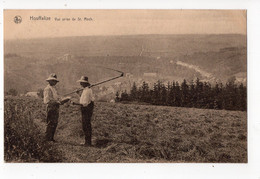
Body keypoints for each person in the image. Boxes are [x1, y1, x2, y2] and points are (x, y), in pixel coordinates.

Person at [43, 73, 70, 142]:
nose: (54, 82)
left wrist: (63, 100)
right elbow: (47, 100)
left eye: (55, 81)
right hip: (51, 107)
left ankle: (51, 138)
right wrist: (57, 102)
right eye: (53, 81)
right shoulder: (47, 89)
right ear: (49, 81)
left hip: (56, 107)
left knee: (55, 123)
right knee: (50, 123)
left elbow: (57, 98)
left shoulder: (54, 89)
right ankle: (47, 138)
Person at [71, 76, 95, 146]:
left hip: (86, 109)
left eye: (82, 83)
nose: (80, 84)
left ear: (85, 83)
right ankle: (87, 142)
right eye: (81, 82)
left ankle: (88, 142)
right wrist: (78, 94)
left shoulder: (88, 91)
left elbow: (84, 103)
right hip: (85, 108)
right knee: (85, 125)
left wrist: (75, 103)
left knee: (86, 125)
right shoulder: (85, 90)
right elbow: (82, 99)